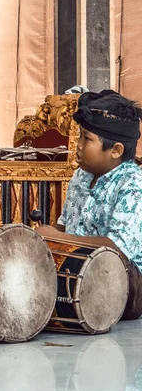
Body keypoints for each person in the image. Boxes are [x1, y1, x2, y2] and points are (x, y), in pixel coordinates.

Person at [36, 89, 142, 319]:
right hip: (80, 269)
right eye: (80, 136)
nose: (78, 144)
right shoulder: (81, 176)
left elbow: (118, 248)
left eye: (87, 138)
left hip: (128, 286)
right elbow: (66, 226)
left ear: (116, 150)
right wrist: (42, 234)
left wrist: (58, 238)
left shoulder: (134, 184)